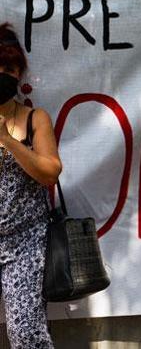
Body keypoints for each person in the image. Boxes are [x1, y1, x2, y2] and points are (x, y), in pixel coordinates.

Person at [0, 23, 61, 348]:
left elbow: (50, 172)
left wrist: (8, 141)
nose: (2, 74)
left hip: (25, 242)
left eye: (8, 68)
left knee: (26, 335)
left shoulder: (34, 118)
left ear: (19, 73)